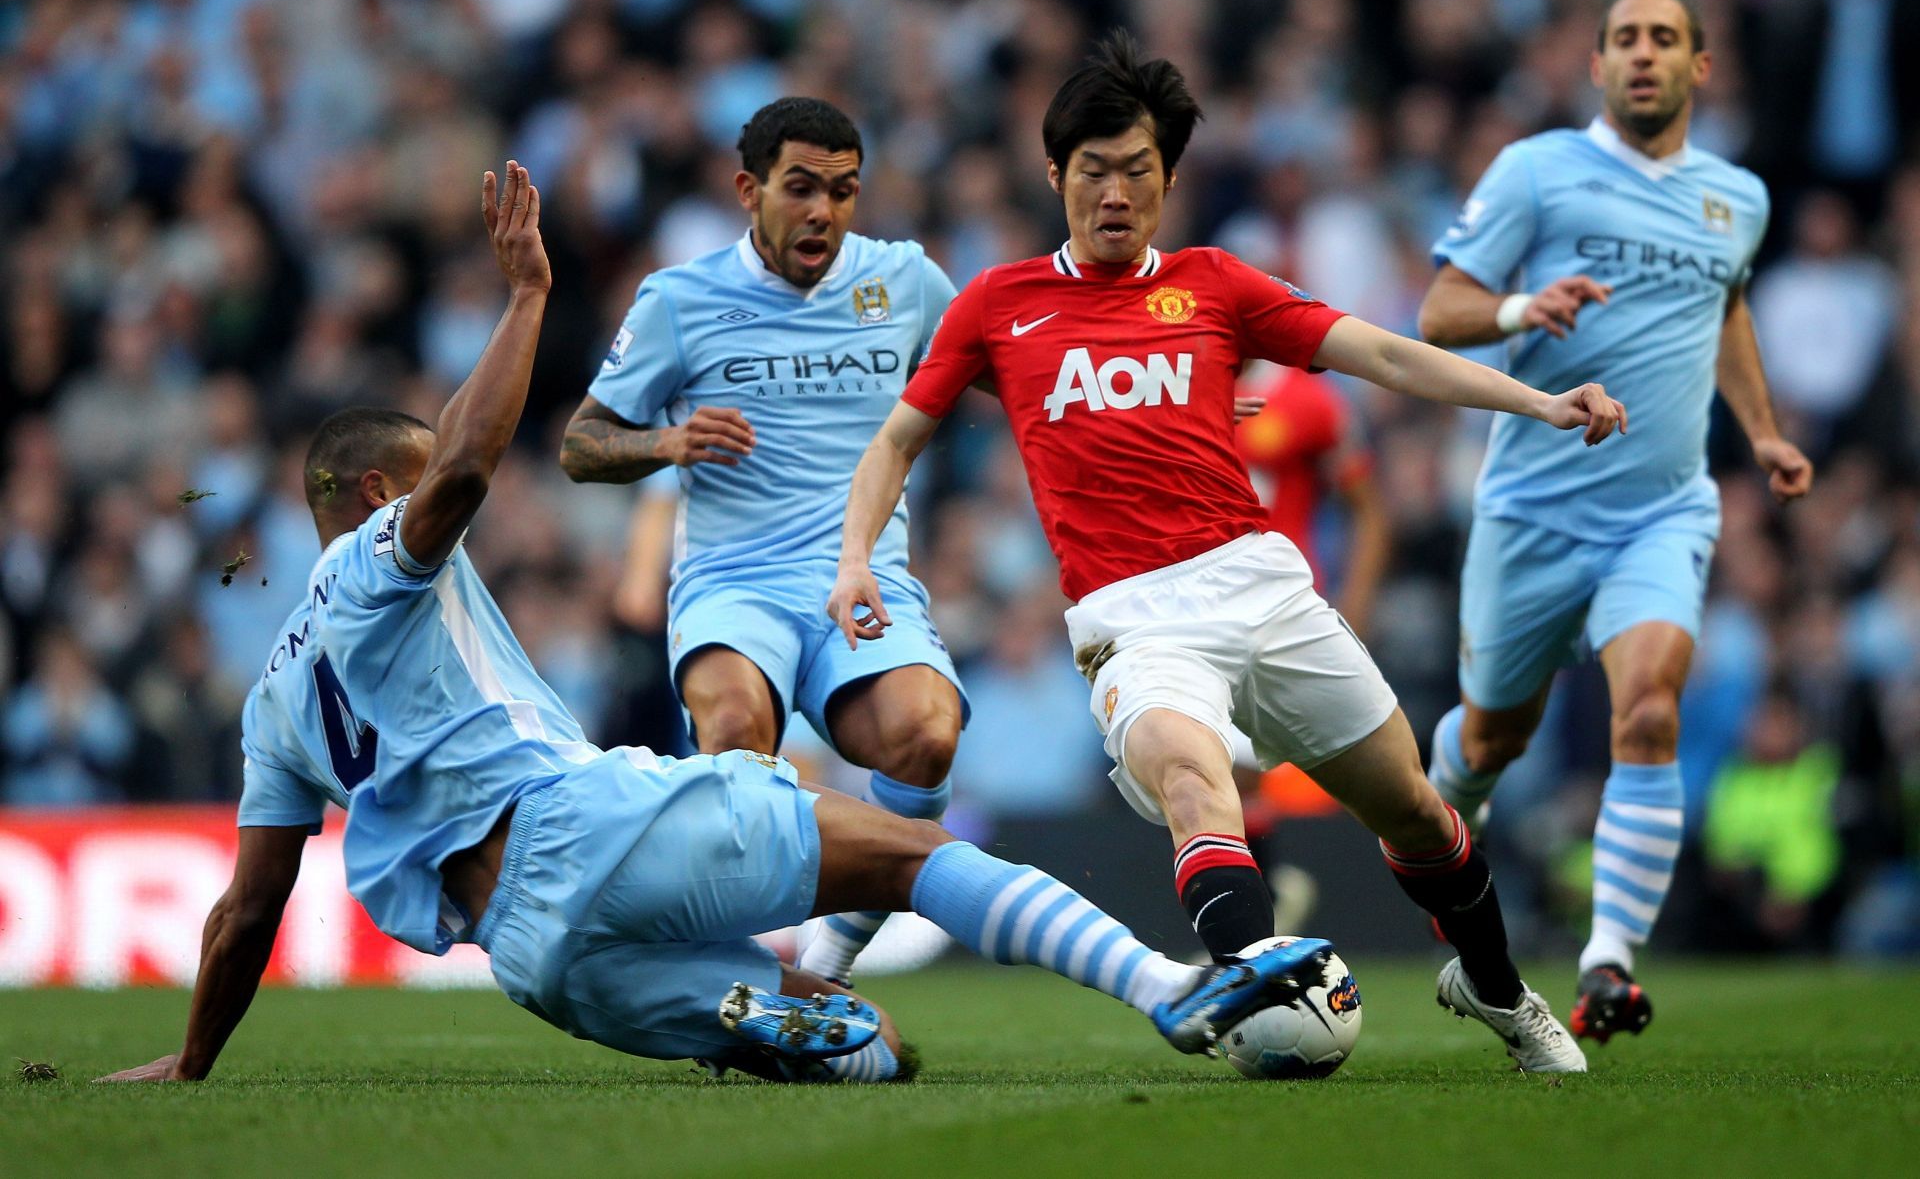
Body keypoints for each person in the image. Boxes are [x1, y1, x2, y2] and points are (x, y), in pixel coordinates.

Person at [99, 162, 1332, 1086]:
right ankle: (1168, 985)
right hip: (574, 824)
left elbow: (246, 907)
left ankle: (795, 1009)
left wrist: (191, 1061)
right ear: (373, 494)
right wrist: (528, 296)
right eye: (410, 481)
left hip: (533, 960)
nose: (439, 507)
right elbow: (467, 468)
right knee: (906, 854)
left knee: (881, 1052)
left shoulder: (273, 696)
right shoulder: (379, 557)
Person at [830, 32, 1623, 1074]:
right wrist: (853, 563)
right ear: (1056, 173)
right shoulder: (999, 304)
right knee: (1202, 792)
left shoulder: (1215, 285)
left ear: (1168, 179)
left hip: (1261, 585)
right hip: (1132, 621)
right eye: (1096, 170)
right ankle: (1265, 989)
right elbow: (895, 438)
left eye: (1140, 172)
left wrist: (1538, 399)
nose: (1117, 193)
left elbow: (1378, 351)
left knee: (1418, 815)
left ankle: (1499, 987)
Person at [1416, 0, 1814, 1044]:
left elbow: (1724, 308)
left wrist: (1764, 430)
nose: (1644, 56)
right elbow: (1437, 310)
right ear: (1596, 65)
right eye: (1625, 40)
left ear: (1701, 65)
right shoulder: (1536, 170)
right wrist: (1518, 309)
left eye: (1665, 40)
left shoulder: (1739, 198)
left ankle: (1606, 966)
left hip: (1661, 511)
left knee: (1649, 711)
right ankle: (1443, 806)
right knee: (1495, 731)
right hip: (1530, 512)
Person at [558, 97, 966, 984]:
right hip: (733, 586)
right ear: (750, 190)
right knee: (738, 733)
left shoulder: (904, 282)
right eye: (802, 188)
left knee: (927, 737)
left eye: (845, 191)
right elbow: (580, 445)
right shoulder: (680, 299)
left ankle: (832, 955)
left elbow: (1014, 373)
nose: (824, 210)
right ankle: (730, 960)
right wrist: (664, 442)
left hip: (861, 581)